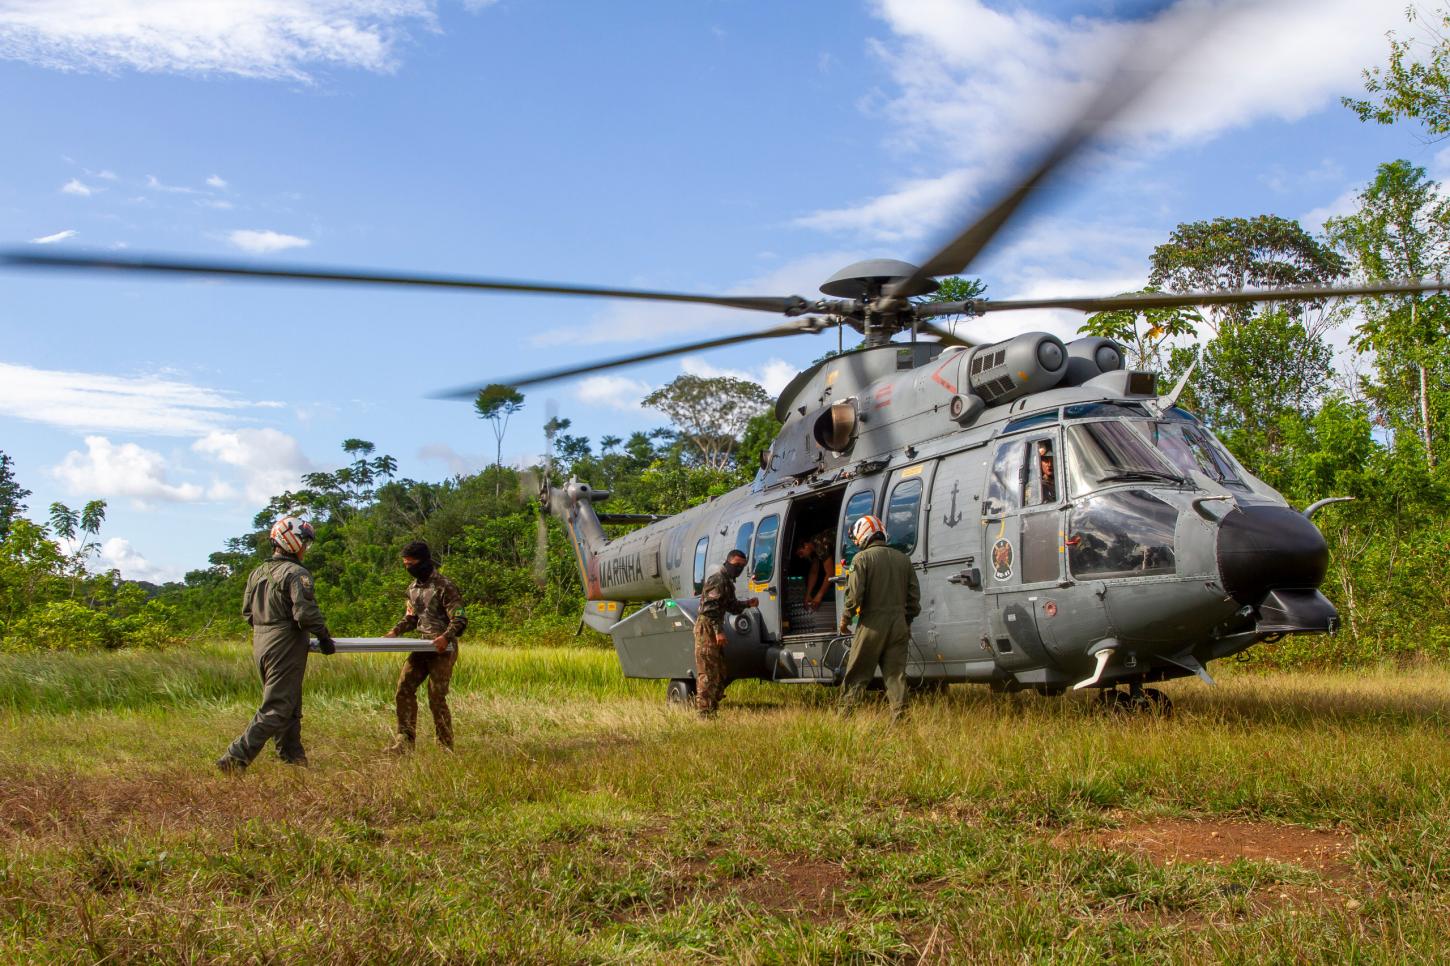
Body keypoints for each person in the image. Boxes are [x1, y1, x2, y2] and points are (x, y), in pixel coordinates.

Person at [218, 516, 335, 774]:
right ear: (291, 540)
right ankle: (235, 757)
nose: (306, 548)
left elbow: (247, 613)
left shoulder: (256, 573)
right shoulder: (296, 573)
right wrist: (324, 637)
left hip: (260, 641)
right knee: (278, 706)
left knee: (289, 702)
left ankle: (292, 757)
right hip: (285, 641)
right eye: (304, 542)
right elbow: (305, 614)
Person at [384, 540, 468, 752]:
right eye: (405, 564)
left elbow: (459, 620)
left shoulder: (444, 586)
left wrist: (445, 637)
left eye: (410, 563)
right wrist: (395, 632)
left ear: (423, 561)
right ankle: (405, 741)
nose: (408, 568)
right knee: (403, 689)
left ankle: (445, 746)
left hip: (443, 649)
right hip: (422, 647)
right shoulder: (412, 589)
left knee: (436, 697)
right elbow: (412, 618)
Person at [837, 514, 920, 721]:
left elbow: (854, 595)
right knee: (895, 676)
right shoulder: (904, 559)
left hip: (872, 624)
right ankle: (901, 719)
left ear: (863, 536)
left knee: (857, 673)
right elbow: (914, 599)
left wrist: (845, 619)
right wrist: (906, 622)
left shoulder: (861, 559)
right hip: (899, 624)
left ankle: (844, 718)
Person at [694, 549, 758, 717]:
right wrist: (718, 631)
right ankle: (704, 712)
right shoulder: (718, 579)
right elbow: (709, 609)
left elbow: (731, 606)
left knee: (719, 670)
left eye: (742, 566)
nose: (739, 569)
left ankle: (711, 709)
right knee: (708, 670)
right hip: (707, 627)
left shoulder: (727, 582)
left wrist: (747, 604)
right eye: (737, 565)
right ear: (728, 562)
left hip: (713, 626)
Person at [793, 528, 836, 611]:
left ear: (806, 545)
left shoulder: (819, 544)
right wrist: (808, 594)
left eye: (801, 553)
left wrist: (819, 596)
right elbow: (813, 572)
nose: (801, 557)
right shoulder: (812, 549)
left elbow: (830, 573)